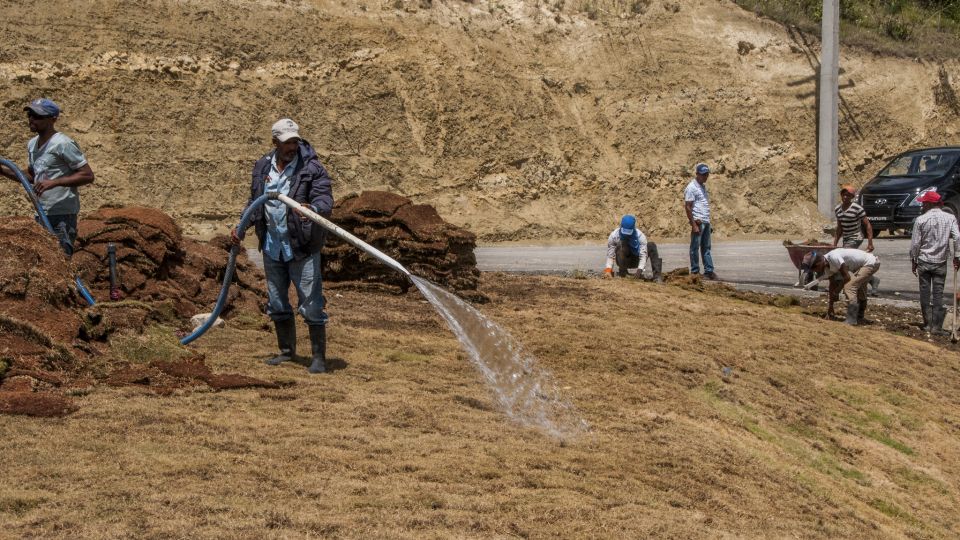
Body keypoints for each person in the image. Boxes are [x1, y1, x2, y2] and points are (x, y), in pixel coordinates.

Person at [231, 118, 334, 374]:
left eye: (295, 141)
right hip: (272, 245)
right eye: (287, 142)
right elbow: (255, 201)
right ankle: (287, 352)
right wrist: (242, 225)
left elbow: (324, 197)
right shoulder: (262, 166)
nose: (292, 147)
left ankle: (318, 358)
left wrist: (314, 209)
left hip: (301, 245)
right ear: (275, 142)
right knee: (277, 301)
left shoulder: (312, 168)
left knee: (311, 302)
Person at [0, 98, 95, 256]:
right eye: (30, 115)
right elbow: (31, 175)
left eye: (37, 116)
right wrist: (3, 170)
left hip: (62, 216)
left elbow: (87, 175)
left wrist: (55, 182)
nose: (31, 119)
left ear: (53, 119)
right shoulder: (32, 145)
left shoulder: (62, 144)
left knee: (61, 261)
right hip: (41, 213)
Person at [909, 190, 960, 335]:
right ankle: (936, 327)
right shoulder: (950, 218)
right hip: (940, 262)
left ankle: (927, 324)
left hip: (924, 261)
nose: (922, 205)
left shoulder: (921, 220)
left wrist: (914, 260)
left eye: (924, 203)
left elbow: (915, 244)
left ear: (931, 203)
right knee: (938, 294)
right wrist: (957, 256)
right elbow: (957, 237)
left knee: (924, 293)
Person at [803, 248, 880, 325]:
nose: (815, 272)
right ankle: (860, 317)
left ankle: (851, 319)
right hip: (864, 265)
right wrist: (830, 306)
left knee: (849, 287)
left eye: (814, 269)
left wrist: (837, 290)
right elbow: (832, 284)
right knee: (860, 288)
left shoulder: (833, 257)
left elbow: (847, 277)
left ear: (819, 263)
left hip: (870, 263)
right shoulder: (827, 267)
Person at [832, 184, 879, 294]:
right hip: (846, 237)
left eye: (848, 195)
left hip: (856, 237)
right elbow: (840, 227)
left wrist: (870, 242)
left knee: (843, 260)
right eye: (844, 194)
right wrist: (835, 243)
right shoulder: (838, 209)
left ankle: (840, 285)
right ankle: (872, 280)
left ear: (852, 197)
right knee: (852, 263)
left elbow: (867, 225)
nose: (845, 197)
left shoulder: (857, 208)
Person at [603, 214, 663, 282]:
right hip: (624, 261)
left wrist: (639, 271)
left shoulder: (640, 236)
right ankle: (623, 272)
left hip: (636, 260)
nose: (626, 235)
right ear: (621, 226)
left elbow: (643, 255)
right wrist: (608, 270)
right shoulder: (614, 236)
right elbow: (610, 255)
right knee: (621, 243)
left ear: (633, 228)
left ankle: (657, 277)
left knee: (651, 245)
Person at [684, 163, 716, 280]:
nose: (705, 177)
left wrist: (708, 222)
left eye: (706, 174)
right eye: (703, 174)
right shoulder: (691, 187)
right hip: (698, 222)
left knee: (706, 247)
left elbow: (703, 205)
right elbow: (688, 207)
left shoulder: (702, 186)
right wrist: (693, 224)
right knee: (694, 248)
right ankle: (695, 272)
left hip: (705, 221)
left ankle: (709, 271)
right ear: (697, 174)